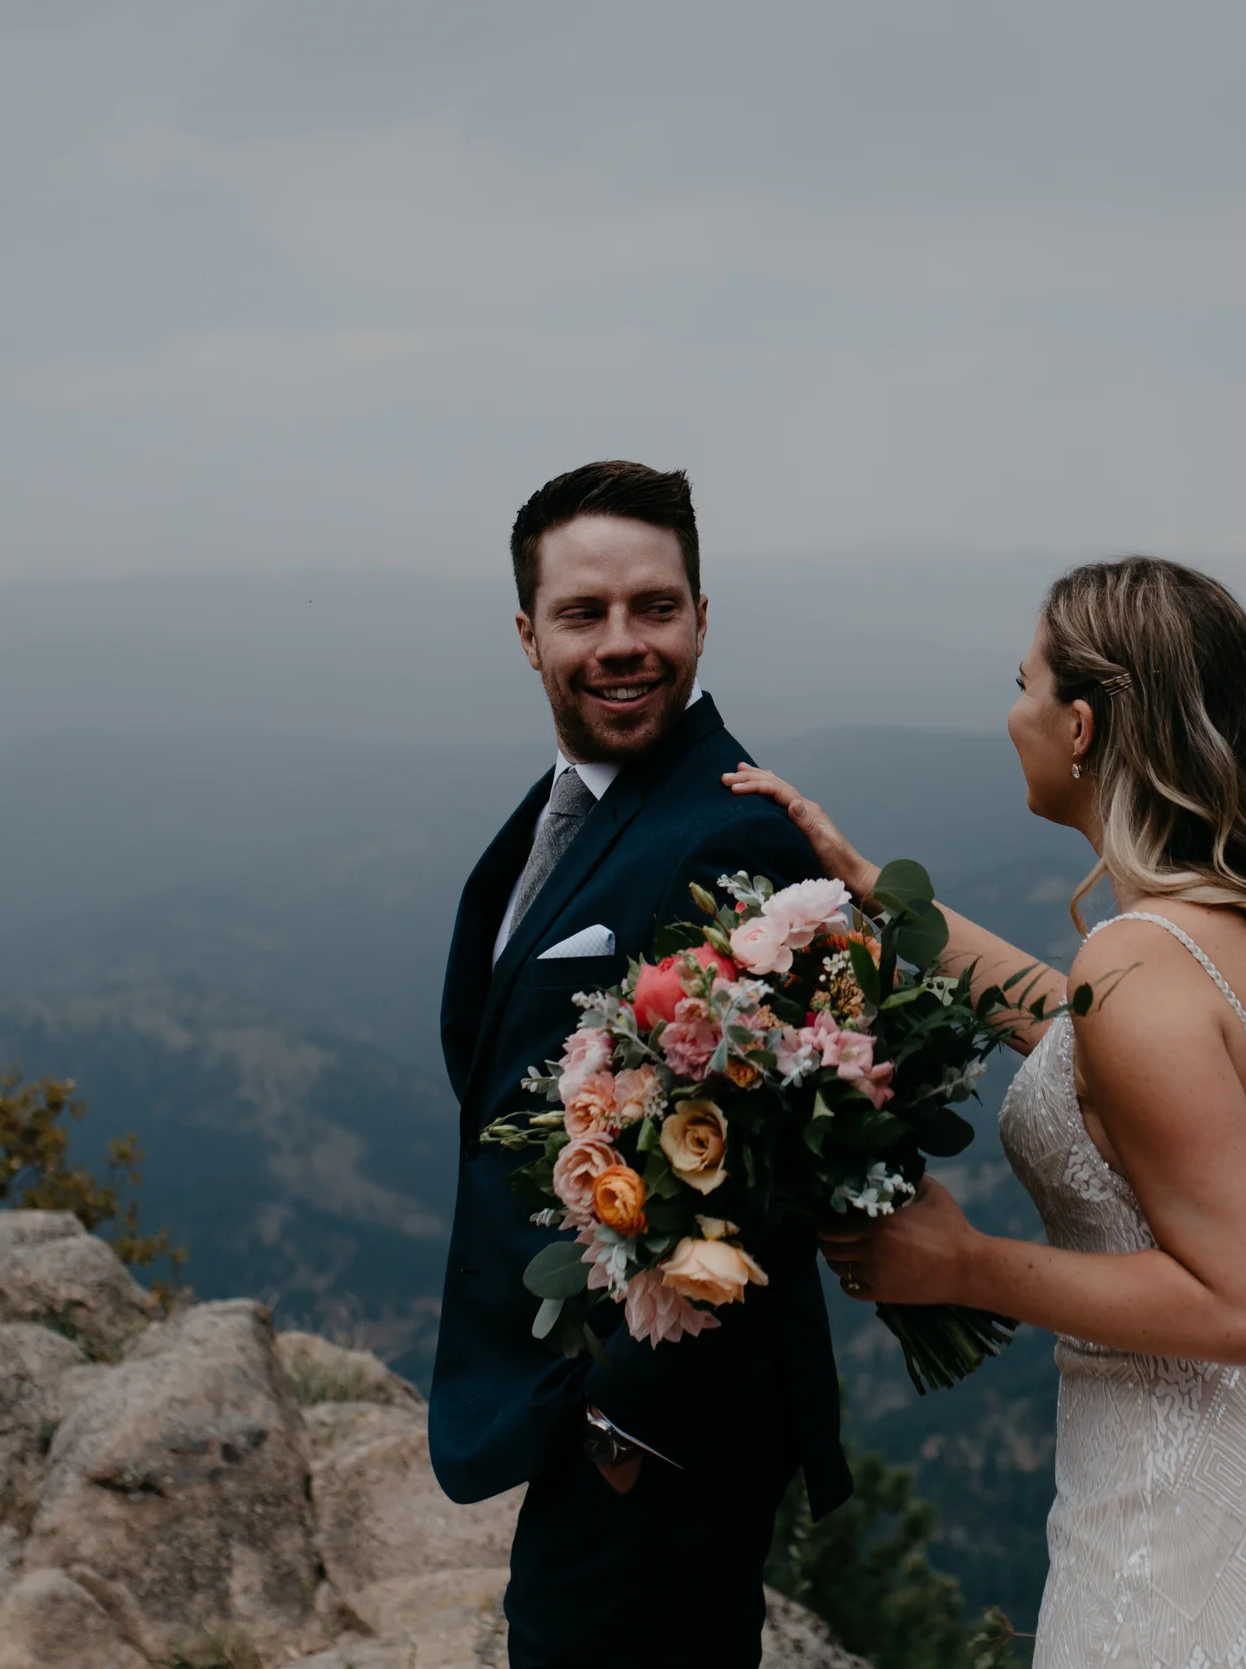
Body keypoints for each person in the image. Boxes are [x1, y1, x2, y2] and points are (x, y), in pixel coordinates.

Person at [727, 555, 1246, 1667]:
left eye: (1025, 684)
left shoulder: (1138, 963)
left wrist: (965, 1266)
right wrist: (872, 891)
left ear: (1080, 726)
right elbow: (1096, 1040)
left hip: (1179, 1543)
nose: (1014, 714)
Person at [429, 461, 850, 1667]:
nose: (624, 642)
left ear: (701, 618)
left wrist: (622, 1425)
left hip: (656, 1432)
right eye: (585, 612)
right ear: (528, 634)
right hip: (576, 1397)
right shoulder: (572, 803)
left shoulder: (733, 828)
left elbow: (765, 1164)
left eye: (655, 608)